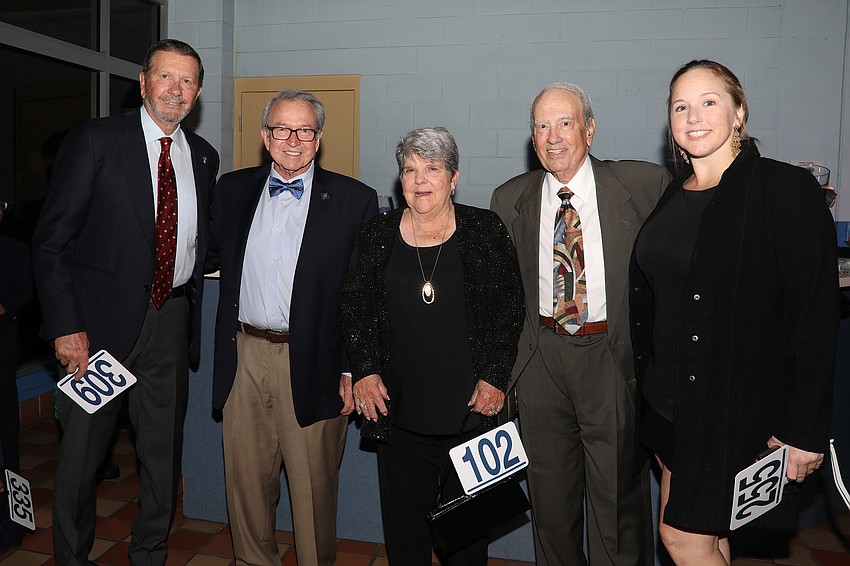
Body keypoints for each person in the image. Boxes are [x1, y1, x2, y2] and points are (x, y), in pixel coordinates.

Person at [630, 59, 838, 565]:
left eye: (709, 102)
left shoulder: (782, 191)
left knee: (681, 537)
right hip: (669, 410)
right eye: (681, 106)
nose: (693, 115)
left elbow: (815, 317)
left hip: (732, 412)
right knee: (712, 536)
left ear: (738, 112)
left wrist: (804, 430)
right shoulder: (673, 197)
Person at [32, 39, 219, 565]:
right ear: (143, 82)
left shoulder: (202, 157)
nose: (175, 91)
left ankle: (150, 553)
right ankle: (72, 557)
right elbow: (50, 243)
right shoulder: (95, 140)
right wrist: (67, 326)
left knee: (161, 457)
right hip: (96, 331)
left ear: (198, 93)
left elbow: (202, 242)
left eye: (187, 82)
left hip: (171, 320)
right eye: (166, 77)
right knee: (82, 458)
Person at [490, 83, 671, 566]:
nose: (554, 136)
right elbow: (502, 299)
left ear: (589, 130)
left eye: (565, 123)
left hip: (610, 358)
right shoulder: (509, 200)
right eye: (542, 125)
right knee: (551, 507)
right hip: (540, 364)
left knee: (617, 504)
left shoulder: (642, 186)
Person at [206, 89, 377, 566]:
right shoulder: (233, 189)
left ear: (319, 139)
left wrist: (352, 369)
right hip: (242, 356)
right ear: (265, 136)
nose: (293, 139)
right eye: (282, 129)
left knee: (312, 489)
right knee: (245, 482)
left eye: (305, 130)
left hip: (317, 361)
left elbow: (363, 296)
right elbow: (208, 255)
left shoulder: (354, 200)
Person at [340, 127, 525, 565]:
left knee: (466, 542)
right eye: (410, 169)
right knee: (405, 540)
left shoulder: (484, 229)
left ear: (454, 177)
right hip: (399, 418)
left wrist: (495, 377)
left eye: (433, 169)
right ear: (399, 179)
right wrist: (364, 370)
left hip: (472, 418)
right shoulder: (378, 234)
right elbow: (354, 306)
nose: (421, 180)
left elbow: (509, 310)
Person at [0, 200, 33, 553]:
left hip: (1, 354)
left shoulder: (14, 249)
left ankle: (12, 517)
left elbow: (26, 292)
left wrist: (4, 307)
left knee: (7, 433)